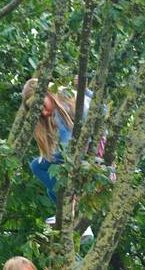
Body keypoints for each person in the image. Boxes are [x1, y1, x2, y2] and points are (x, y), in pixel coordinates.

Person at [21, 77, 94, 205]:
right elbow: (102, 107)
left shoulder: (61, 112)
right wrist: (87, 91)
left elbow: (67, 148)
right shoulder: (69, 96)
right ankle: (68, 206)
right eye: (38, 112)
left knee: (36, 166)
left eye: (42, 106)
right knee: (51, 191)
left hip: (85, 152)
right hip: (86, 149)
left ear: (48, 93)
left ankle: (70, 201)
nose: (43, 113)